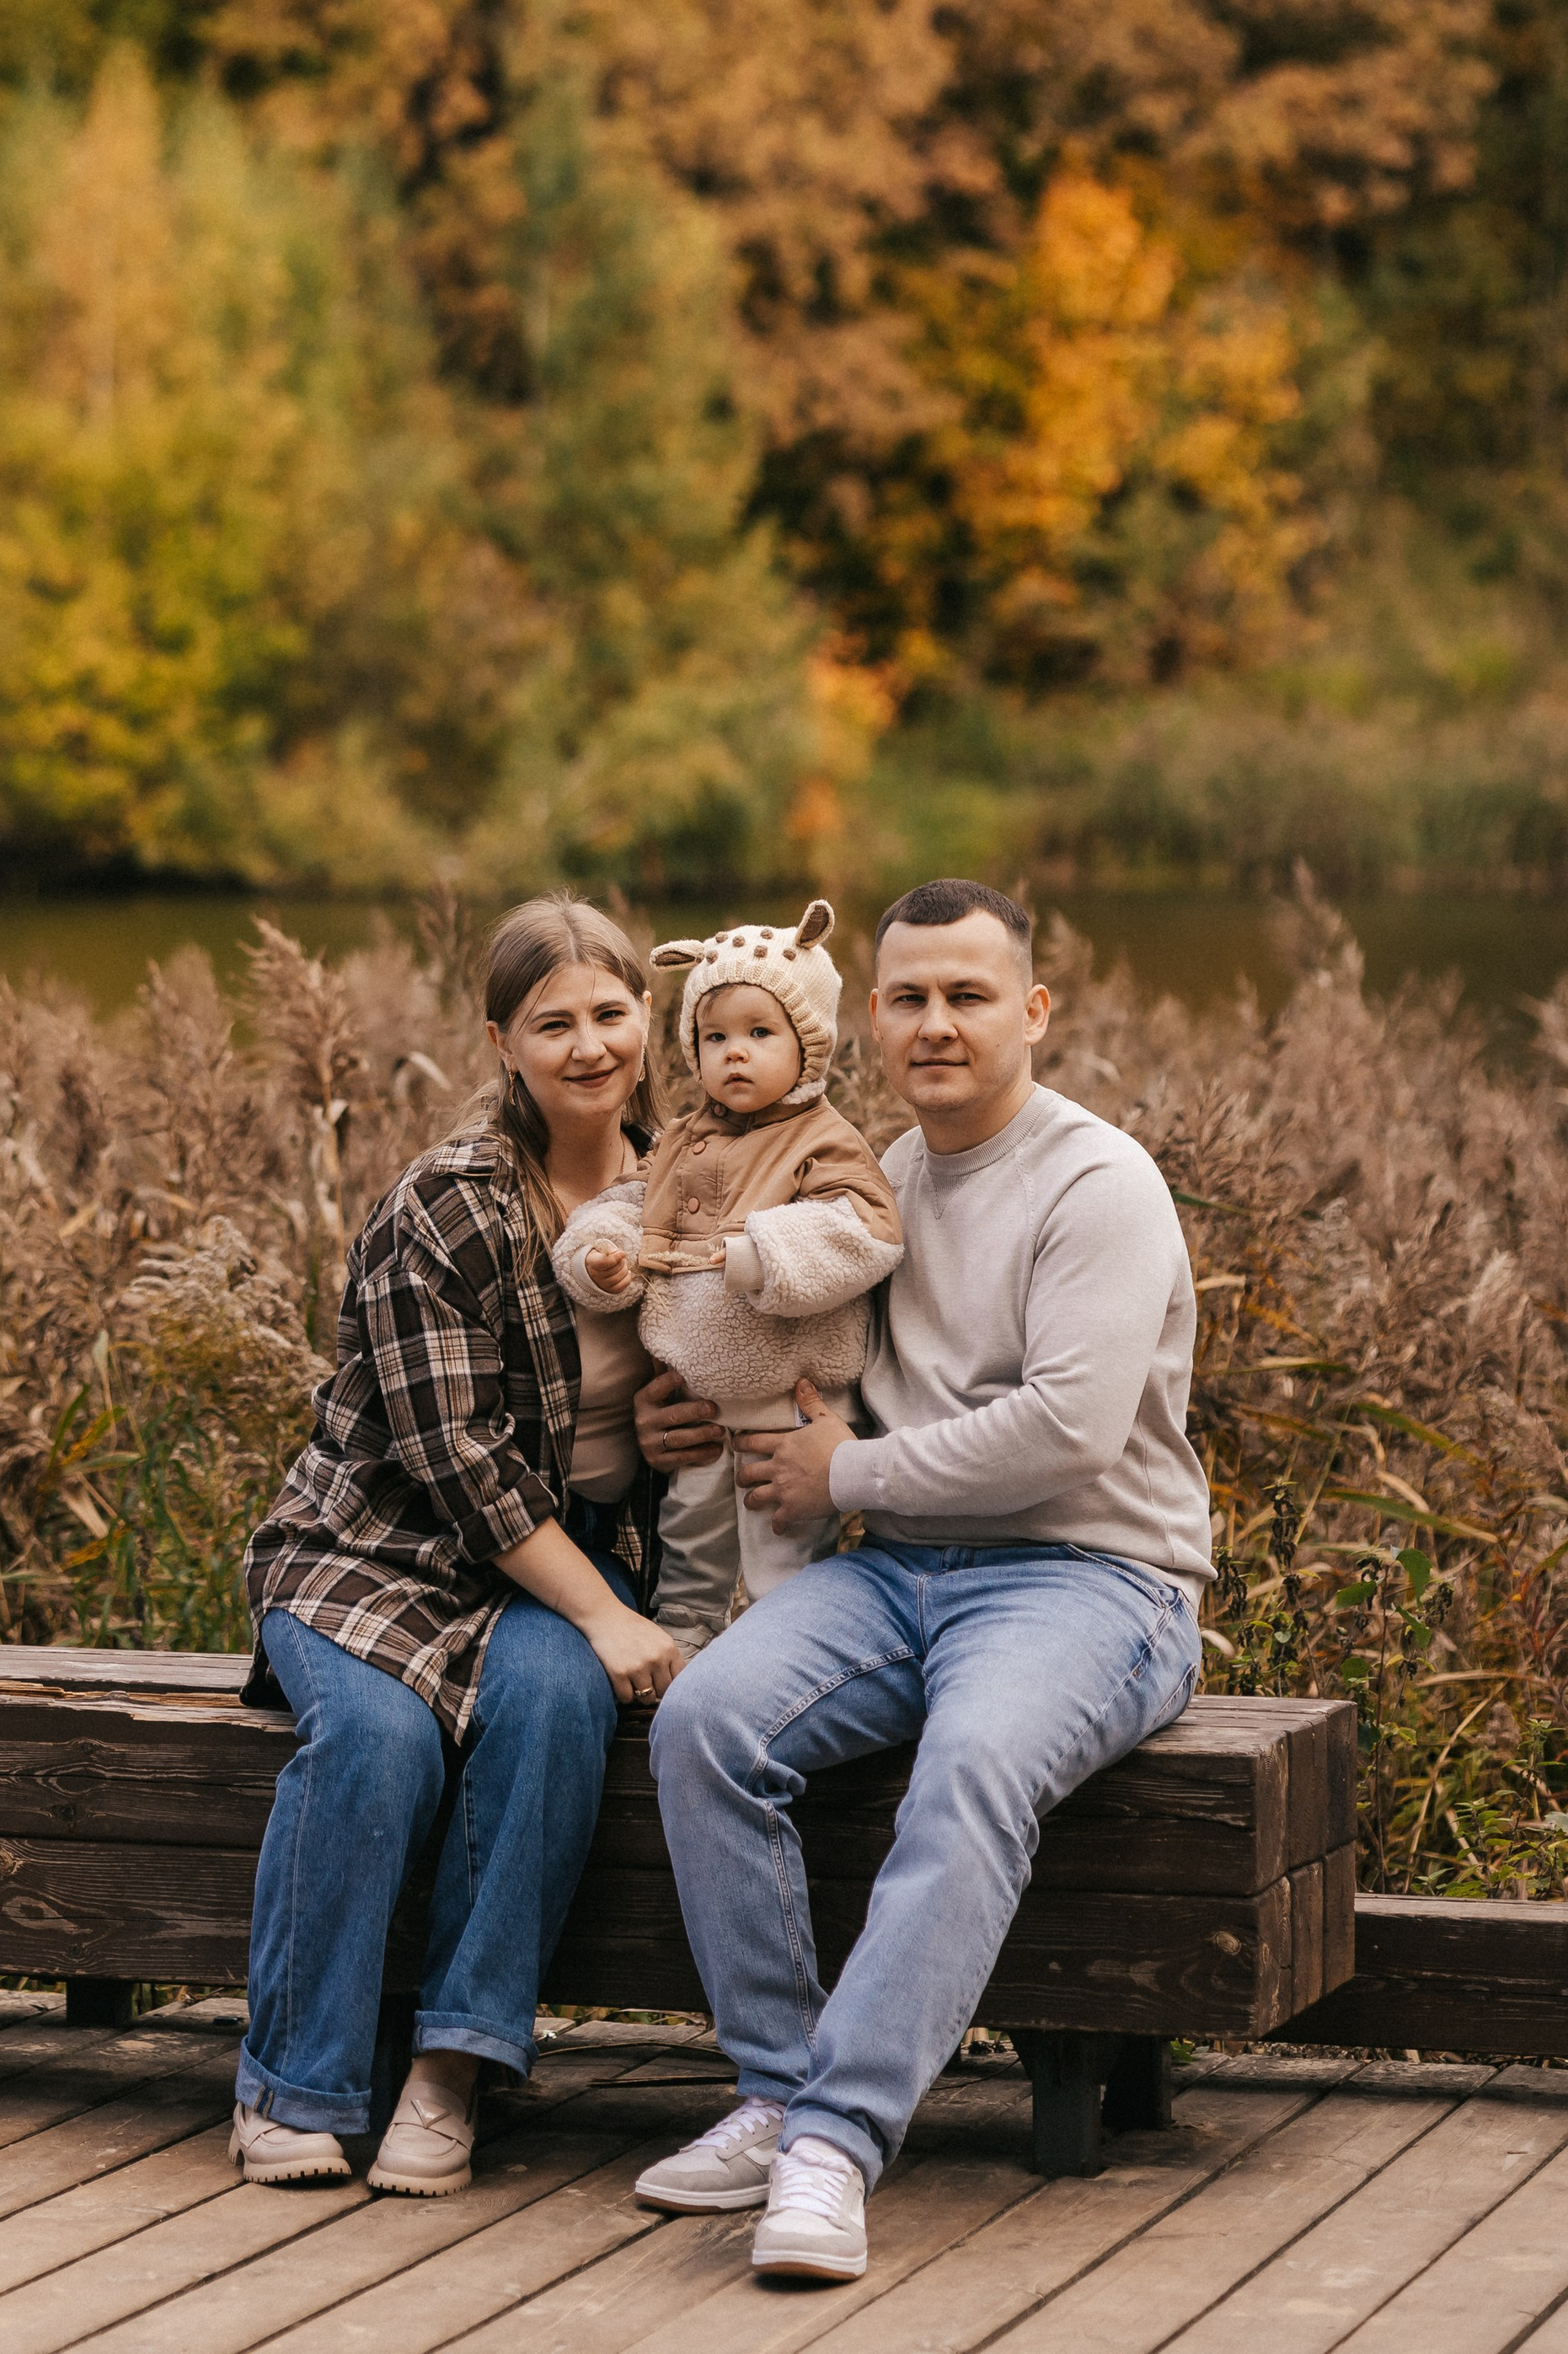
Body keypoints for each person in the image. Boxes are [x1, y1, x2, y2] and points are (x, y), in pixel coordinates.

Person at [633, 877, 1213, 2286]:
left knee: (971, 1766)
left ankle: (835, 2145)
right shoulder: (873, 1179)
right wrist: (694, 1415)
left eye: (967, 994)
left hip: (1094, 1580)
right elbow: (785, 1353)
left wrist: (848, 1480)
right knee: (708, 1722)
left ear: (1033, 1010)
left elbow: (1068, 1431)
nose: (936, 1022)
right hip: (898, 1575)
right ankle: (776, 2091)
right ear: (870, 1018)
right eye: (909, 997)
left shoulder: (1097, 1180)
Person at [231, 895, 684, 2201]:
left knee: (550, 1714)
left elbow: (709, 1370)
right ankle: (292, 2085)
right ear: (502, 1042)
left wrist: (678, 1430)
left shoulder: (688, 1188)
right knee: (375, 1740)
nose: (590, 1046)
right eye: (556, 1023)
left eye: (611, 1015)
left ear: (645, 1022)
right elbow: (456, 1459)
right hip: (377, 1547)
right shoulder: (450, 1203)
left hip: (570, 1556)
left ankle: (453, 2070)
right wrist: (605, 1614)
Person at [549, 900, 901, 1651]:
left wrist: (761, 1252)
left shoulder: (825, 1140)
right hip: (698, 1398)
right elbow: (632, 1203)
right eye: (715, 1038)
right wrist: (600, 1255)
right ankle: (685, 1632)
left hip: (789, 1402)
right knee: (691, 1539)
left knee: (782, 1539)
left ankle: (782, 1647)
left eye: (759, 1033)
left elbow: (864, 1232)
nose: (734, 1054)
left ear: (809, 1044)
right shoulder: (682, 1139)